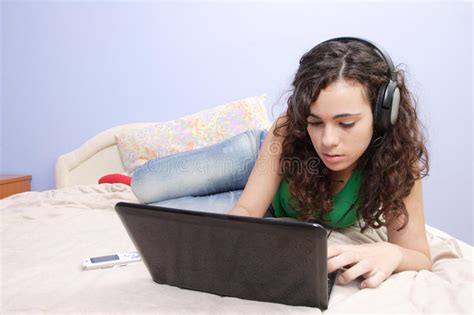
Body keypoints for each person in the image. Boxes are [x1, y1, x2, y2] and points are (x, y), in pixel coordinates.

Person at [131, 37, 432, 290]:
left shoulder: (397, 164)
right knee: (143, 185)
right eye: (315, 122)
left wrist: (391, 252)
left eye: (346, 123)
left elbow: (419, 255)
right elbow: (248, 209)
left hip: (273, 204)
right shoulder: (290, 128)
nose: (328, 140)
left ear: (382, 116)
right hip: (254, 158)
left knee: (156, 218)